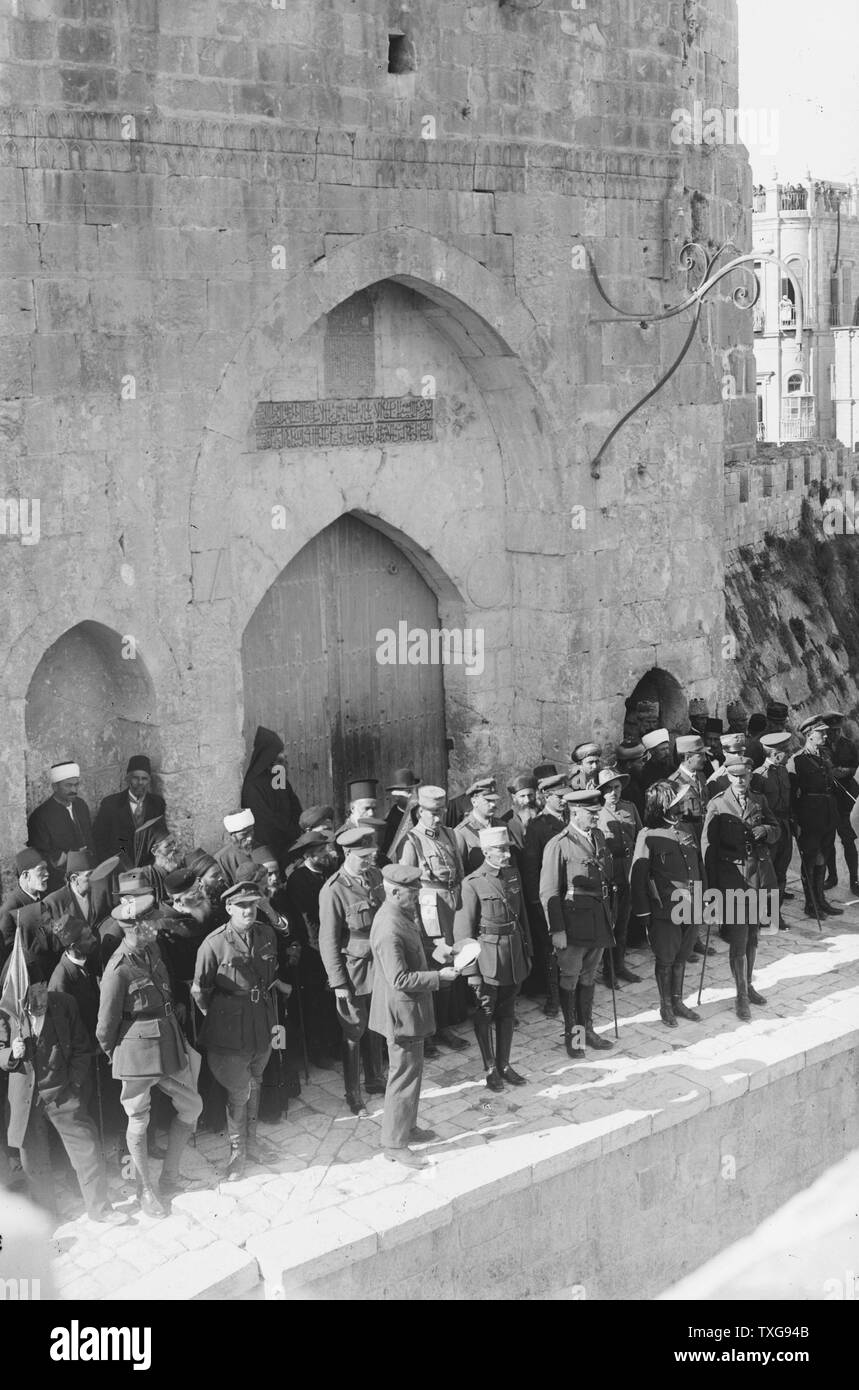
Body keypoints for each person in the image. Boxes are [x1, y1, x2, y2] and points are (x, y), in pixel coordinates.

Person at [97, 913, 202, 1217]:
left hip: (167, 1041)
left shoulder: (152, 950)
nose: (156, 927)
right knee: (139, 1119)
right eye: (150, 924)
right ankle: (145, 1190)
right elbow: (105, 1025)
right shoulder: (117, 970)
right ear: (133, 928)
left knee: (192, 1106)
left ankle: (169, 1178)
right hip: (136, 1051)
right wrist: (115, 1054)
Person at [1, 979, 127, 1227]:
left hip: (62, 1092)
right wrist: (10, 1054)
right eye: (32, 994)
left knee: (87, 1146)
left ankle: (99, 1208)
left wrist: (74, 1085)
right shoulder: (7, 1013)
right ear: (20, 992)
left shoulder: (65, 1003)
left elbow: (81, 1047)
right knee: (33, 1158)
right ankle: (45, 1217)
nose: (39, 1000)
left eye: (42, 990)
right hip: (27, 1099)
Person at [192, 881, 291, 1181]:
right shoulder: (214, 943)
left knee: (256, 1082)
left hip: (262, 1021)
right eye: (242, 906)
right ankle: (238, 1151)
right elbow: (200, 989)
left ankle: (253, 1143)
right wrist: (218, 1015)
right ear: (229, 908)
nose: (249, 910)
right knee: (239, 1091)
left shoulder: (266, 934)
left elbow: (269, 976)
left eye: (252, 904)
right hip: (230, 1027)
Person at [369, 865, 457, 1168]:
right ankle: (394, 1144)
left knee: (412, 1072)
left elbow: (414, 951)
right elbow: (400, 979)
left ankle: (407, 1127)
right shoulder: (388, 925)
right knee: (403, 1077)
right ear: (395, 891)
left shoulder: (399, 914)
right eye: (413, 892)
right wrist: (439, 977)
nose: (418, 896)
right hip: (401, 1013)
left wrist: (438, 953)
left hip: (409, 1011)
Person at [453, 826, 532, 1091]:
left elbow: (523, 918)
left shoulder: (513, 875)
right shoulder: (472, 883)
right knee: (485, 1011)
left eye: (508, 848)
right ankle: (490, 1069)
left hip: (513, 955)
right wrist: (472, 972)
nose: (507, 854)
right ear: (487, 851)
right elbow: (464, 933)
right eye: (501, 849)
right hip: (488, 960)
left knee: (508, 1011)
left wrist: (527, 950)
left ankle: (505, 1064)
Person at [702, 755, 781, 1021]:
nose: (740, 780)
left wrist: (766, 830)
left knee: (754, 936)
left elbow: (777, 828)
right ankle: (740, 996)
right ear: (727, 777)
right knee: (738, 940)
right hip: (731, 880)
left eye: (744, 775)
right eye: (735, 776)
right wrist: (710, 890)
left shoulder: (760, 800)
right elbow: (708, 850)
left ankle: (748, 984)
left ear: (750, 775)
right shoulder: (717, 804)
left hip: (757, 877)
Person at [539, 788, 615, 1057]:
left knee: (588, 977)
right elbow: (548, 891)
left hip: (598, 918)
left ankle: (589, 1030)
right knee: (570, 979)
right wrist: (557, 929)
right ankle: (574, 1036)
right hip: (572, 925)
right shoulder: (559, 844)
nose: (596, 817)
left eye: (597, 812)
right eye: (591, 813)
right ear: (575, 812)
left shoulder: (598, 836)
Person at [318, 825, 386, 1116]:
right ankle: (353, 1093)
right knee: (353, 1031)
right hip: (353, 969)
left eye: (371, 854)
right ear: (347, 853)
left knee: (376, 1025)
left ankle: (374, 1078)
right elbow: (328, 941)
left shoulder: (374, 875)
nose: (369, 861)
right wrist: (338, 982)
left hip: (379, 964)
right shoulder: (333, 889)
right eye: (362, 856)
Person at [397, 784, 468, 1053]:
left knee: (451, 962)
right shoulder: (412, 842)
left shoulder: (450, 835)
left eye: (440, 812)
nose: (437, 818)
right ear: (418, 812)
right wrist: (413, 923)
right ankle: (426, 1032)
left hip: (452, 906)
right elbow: (407, 885)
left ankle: (444, 1026)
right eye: (431, 813)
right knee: (429, 966)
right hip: (428, 911)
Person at [630, 782, 704, 1028]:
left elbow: (698, 868)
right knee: (666, 959)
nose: (682, 805)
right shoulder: (648, 835)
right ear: (662, 805)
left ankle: (678, 1001)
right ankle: (666, 1006)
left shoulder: (686, 828)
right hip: (664, 911)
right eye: (675, 801)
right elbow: (638, 877)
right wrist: (644, 912)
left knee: (682, 957)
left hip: (691, 907)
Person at [283, 830, 341, 1068]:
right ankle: (319, 1052)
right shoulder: (299, 880)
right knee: (315, 1004)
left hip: (332, 942)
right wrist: (322, 948)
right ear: (309, 855)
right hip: (313, 949)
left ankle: (335, 1046)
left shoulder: (328, 873)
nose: (327, 854)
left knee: (331, 1002)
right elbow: (309, 920)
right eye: (321, 852)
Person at [521, 772, 568, 1014]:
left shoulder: (571, 818)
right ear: (546, 797)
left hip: (570, 895)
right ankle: (553, 997)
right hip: (548, 897)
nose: (563, 801)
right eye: (558, 797)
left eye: (564, 796)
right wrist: (535, 901)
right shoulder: (538, 827)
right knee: (550, 949)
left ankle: (571, 989)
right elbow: (531, 868)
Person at [788, 715, 842, 919]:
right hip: (809, 817)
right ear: (809, 735)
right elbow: (792, 795)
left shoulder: (823, 755)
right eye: (821, 732)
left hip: (828, 814)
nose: (826, 735)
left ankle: (821, 900)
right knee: (810, 859)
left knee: (823, 857)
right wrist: (794, 820)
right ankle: (811, 904)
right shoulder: (797, 760)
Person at [596, 768, 642, 986]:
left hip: (629, 870)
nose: (613, 792)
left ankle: (620, 965)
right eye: (608, 789)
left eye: (616, 787)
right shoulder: (597, 813)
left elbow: (640, 836)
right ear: (601, 792)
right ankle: (608, 970)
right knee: (610, 924)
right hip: (610, 873)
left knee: (623, 922)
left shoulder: (629, 808)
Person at [27, 761, 95, 893]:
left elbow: (90, 839)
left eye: (76, 785)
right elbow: (42, 855)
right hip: (59, 883)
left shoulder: (81, 805)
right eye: (68, 786)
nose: (74, 790)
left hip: (87, 875)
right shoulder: (40, 816)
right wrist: (70, 859)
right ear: (55, 787)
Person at [241, 727, 303, 868]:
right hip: (269, 845)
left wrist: (296, 828)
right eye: (279, 754)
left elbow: (291, 804)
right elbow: (264, 818)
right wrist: (288, 830)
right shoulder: (252, 785)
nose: (283, 758)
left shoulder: (278, 776)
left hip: (290, 839)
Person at [752, 731, 793, 929]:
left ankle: (776, 913)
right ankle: (762, 914)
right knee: (767, 875)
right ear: (775, 754)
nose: (790, 753)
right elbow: (756, 808)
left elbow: (789, 801)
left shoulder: (784, 771)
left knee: (782, 871)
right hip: (769, 830)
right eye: (786, 751)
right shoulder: (758, 776)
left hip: (785, 827)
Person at [93, 756, 166, 866]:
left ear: (149, 780)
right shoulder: (110, 804)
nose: (140, 782)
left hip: (148, 868)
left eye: (144, 779)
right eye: (135, 778)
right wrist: (113, 864)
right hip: (119, 868)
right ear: (127, 779)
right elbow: (98, 839)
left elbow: (162, 837)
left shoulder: (157, 803)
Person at [822, 712, 859, 894]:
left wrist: (847, 771)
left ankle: (854, 879)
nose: (833, 735)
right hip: (829, 800)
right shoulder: (821, 747)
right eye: (830, 731)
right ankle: (832, 876)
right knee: (828, 840)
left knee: (849, 841)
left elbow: (856, 766)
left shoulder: (849, 745)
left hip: (845, 800)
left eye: (836, 731)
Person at [0, 850, 50, 972]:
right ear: (26, 875)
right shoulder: (10, 910)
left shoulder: (45, 897)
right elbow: (7, 956)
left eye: (46, 868)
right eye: (41, 870)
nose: (47, 874)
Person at [454, 777, 503, 874]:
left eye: (494, 800)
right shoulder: (462, 832)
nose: (493, 805)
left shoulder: (501, 826)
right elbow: (459, 871)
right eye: (488, 800)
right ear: (474, 802)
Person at [381, 767, 421, 857]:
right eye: (408, 793)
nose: (413, 798)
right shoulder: (391, 818)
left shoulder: (419, 811)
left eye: (412, 791)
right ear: (396, 797)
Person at [215, 809, 256, 887]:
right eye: (244, 835)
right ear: (232, 836)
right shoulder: (222, 859)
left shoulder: (262, 849)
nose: (250, 838)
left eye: (251, 831)